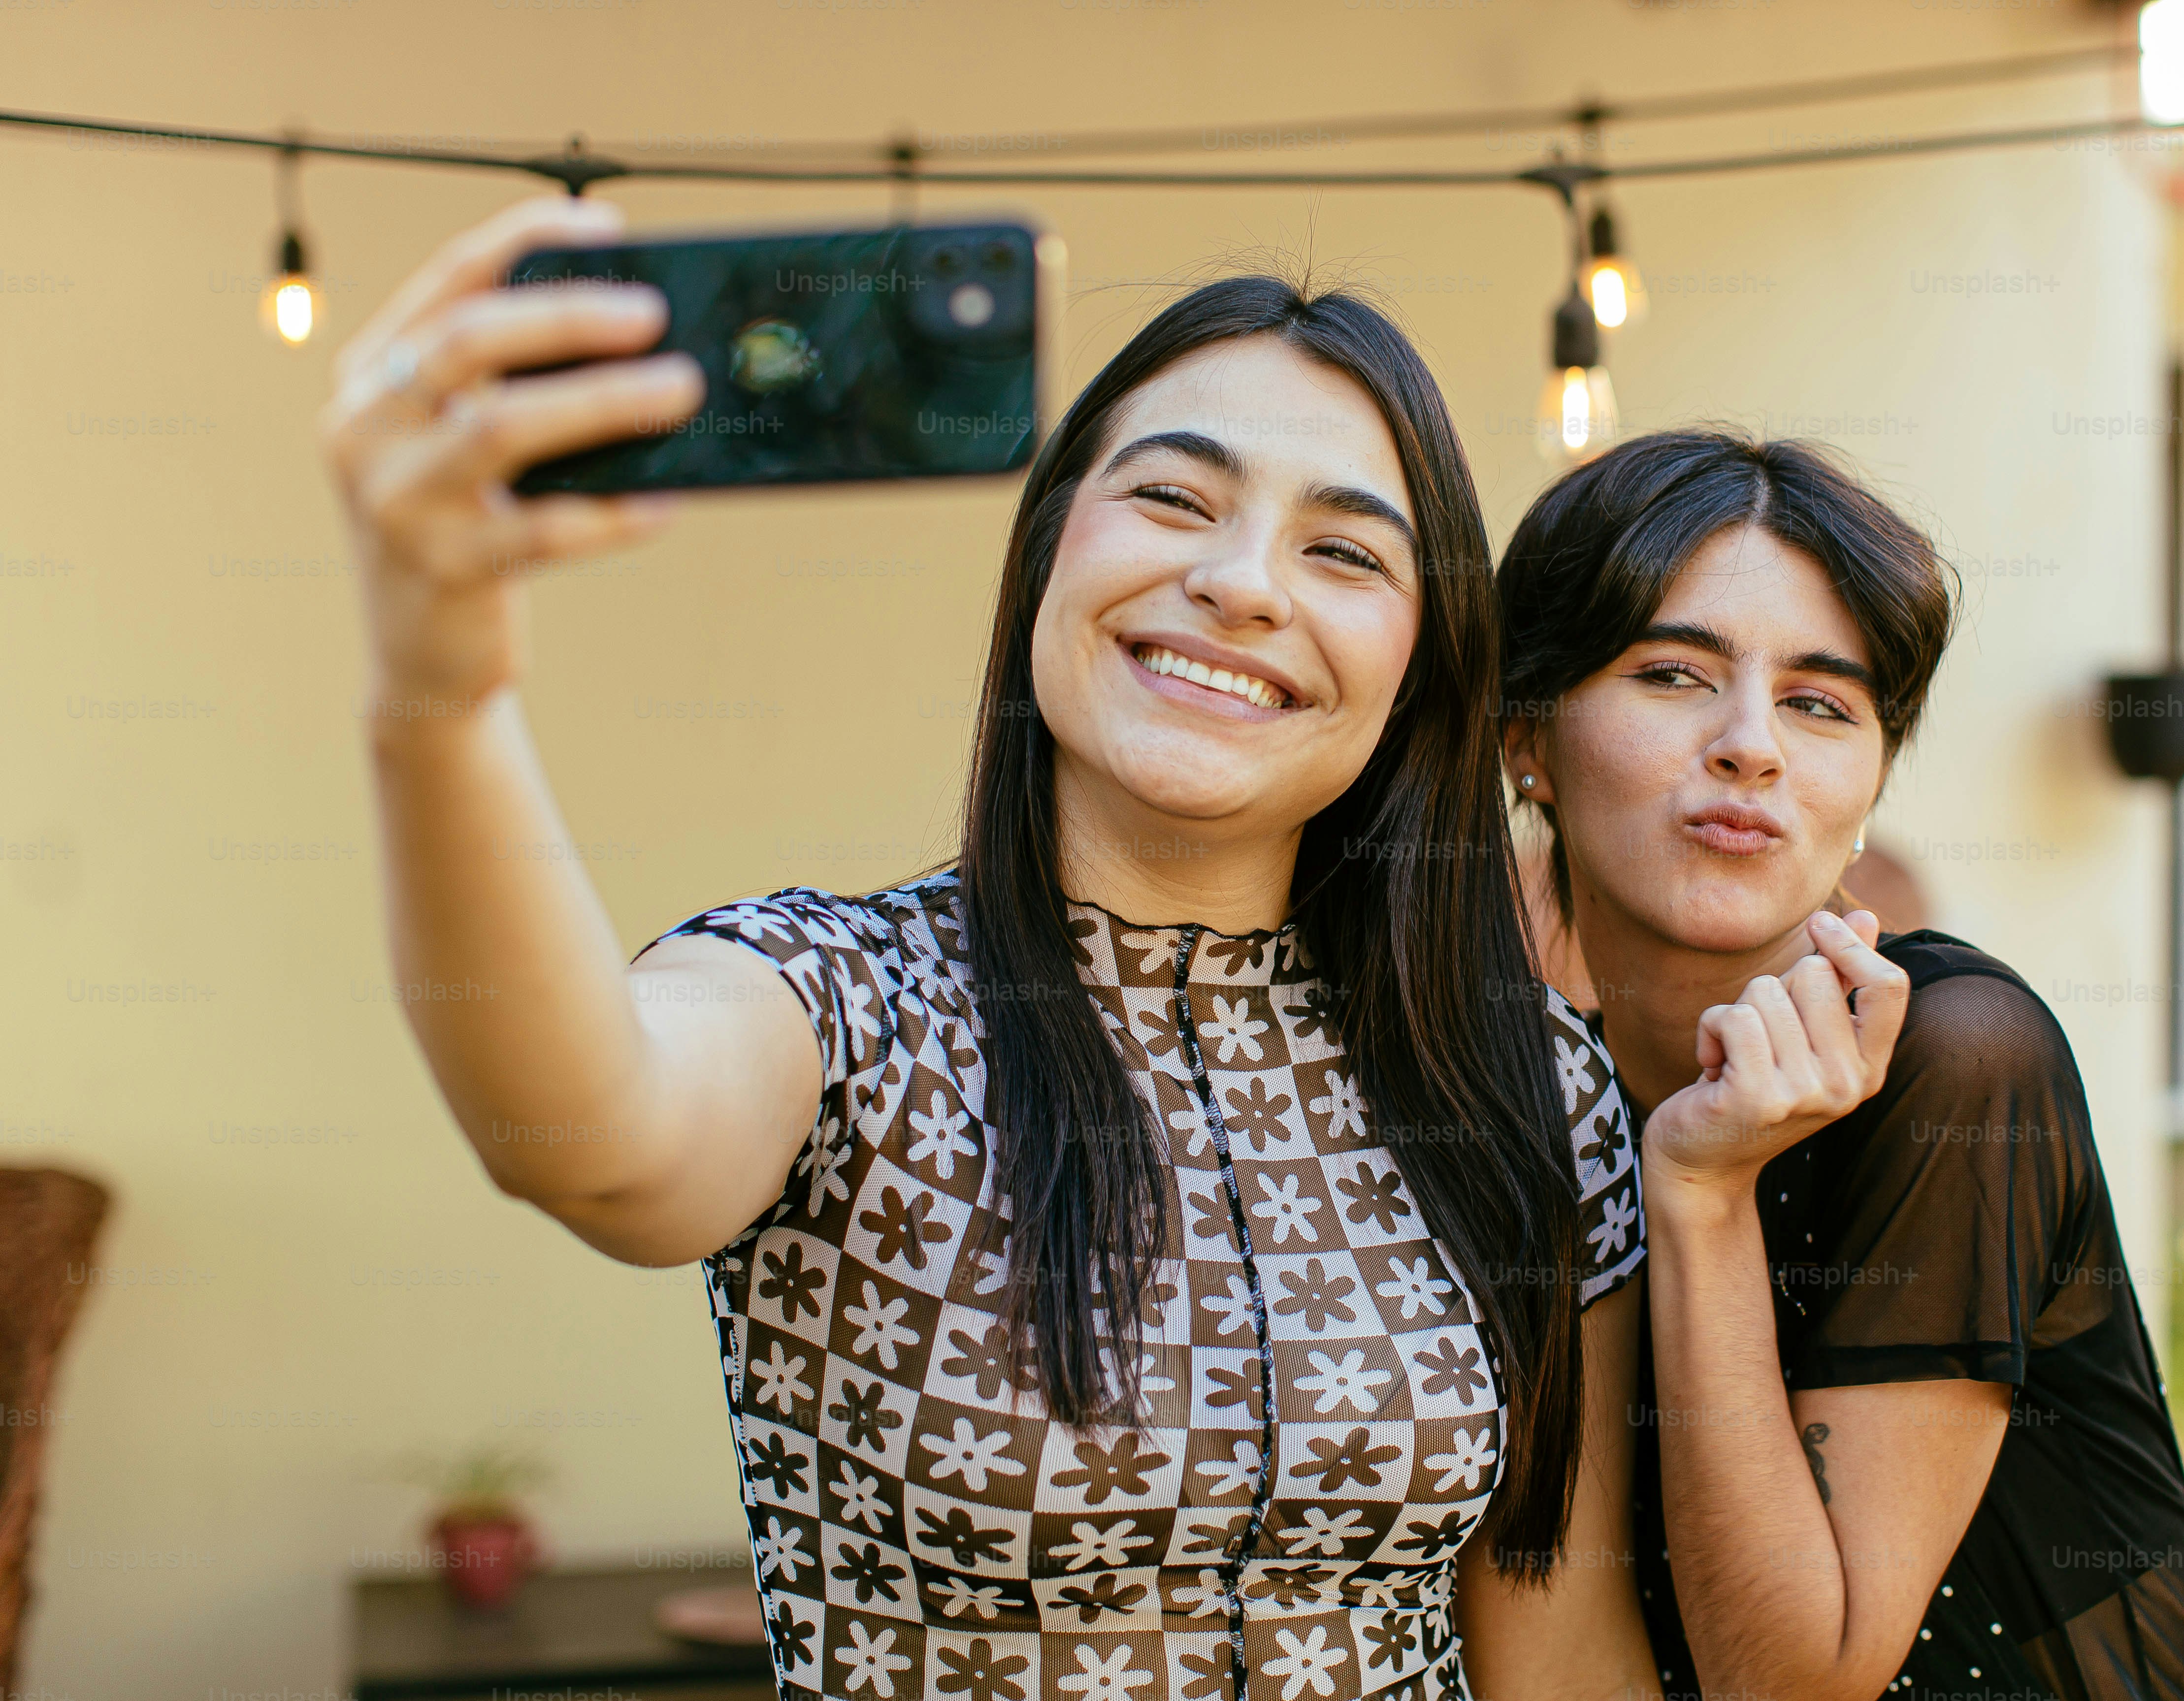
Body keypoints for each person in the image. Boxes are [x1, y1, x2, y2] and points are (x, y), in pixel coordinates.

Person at [320, 196, 1657, 1701]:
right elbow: (588, 1134)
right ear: (1048, 554)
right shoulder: (847, 1008)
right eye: (1172, 499)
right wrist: (441, 686)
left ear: (1422, 667)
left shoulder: (1522, 1078)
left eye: (1346, 552)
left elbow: (1565, 1659)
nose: (1245, 583)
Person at [1496, 430, 2184, 1701]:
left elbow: (1792, 1685)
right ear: (1527, 739)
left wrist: (1706, 1195)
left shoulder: (1957, 1063)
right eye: (1674, 675)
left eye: (1823, 704)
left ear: (1872, 785)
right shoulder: (1524, 1089)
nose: (1752, 747)